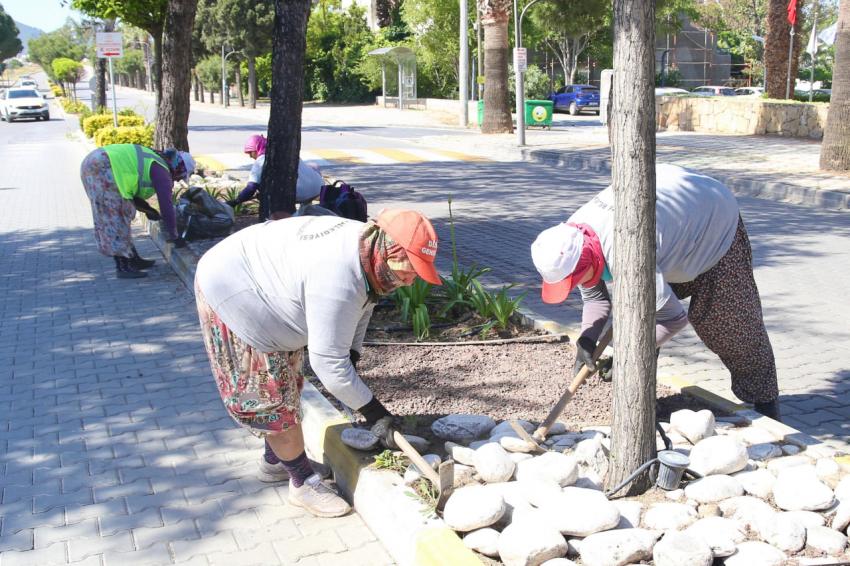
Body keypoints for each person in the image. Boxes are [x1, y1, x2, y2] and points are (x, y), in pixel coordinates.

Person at [194, 209, 441, 517]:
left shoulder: (368, 251)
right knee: (270, 395)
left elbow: (363, 304)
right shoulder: (338, 273)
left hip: (260, 277)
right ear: (390, 249)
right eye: (409, 269)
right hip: (233, 289)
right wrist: (376, 414)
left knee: (287, 376)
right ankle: (302, 483)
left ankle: (276, 460)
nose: (410, 280)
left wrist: (351, 354)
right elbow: (327, 365)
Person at [531, 164, 780, 420]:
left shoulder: (627, 254)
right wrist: (586, 340)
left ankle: (766, 404)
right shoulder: (571, 237)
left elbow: (673, 319)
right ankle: (643, 406)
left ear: (587, 262)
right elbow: (595, 298)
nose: (574, 286)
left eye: (574, 280)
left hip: (712, 222)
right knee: (637, 319)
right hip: (667, 231)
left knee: (729, 325)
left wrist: (630, 354)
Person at [80, 144, 195, 279]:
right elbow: (166, 205)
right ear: (179, 167)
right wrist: (174, 236)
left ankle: (133, 259)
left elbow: (131, 194)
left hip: (97, 164)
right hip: (102, 167)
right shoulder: (161, 170)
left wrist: (148, 210)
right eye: (181, 176)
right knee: (116, 218)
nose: (177, 179)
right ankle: (123, 267)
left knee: (122, 212)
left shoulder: (156, 160)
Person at [225, 134, 324, 218]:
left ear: (257, 149)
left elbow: (251, 188)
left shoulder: (262, 160)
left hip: (300, 193)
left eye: (251, 152)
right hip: (318, 187)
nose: (251, 156)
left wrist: (234, 202)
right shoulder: (286, 152)